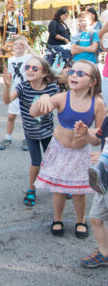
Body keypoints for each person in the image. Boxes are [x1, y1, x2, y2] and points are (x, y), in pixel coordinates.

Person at [31, 60, 105, 237]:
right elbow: (34, 112)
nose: (74, 76)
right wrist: (42, 98)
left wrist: (86, 134)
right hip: (59, 151)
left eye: (80, 74)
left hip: (80, 153)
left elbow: (98, 138)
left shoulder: (98, 103)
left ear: (93, 81)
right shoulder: (62, 97)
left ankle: (81, 220)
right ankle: (58, 218)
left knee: (79, 193)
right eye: (72, 72)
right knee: (59, 189)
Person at [3, 56, 58, 207]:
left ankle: (59, 185)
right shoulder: (22, 87)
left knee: (52, 161)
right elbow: (7, 101)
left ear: (45, 73)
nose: (29, 70)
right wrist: (7, 86)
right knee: (36, 162)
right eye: (27, 67)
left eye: (35, 68)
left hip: (47, 133)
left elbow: (61, 105)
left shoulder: (52, 88)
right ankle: (31, 189)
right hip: (31, 134)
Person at [78, 114, 108, 269]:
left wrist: (103, 157)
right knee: (96, 218)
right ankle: (104, 254)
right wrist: (85, 134)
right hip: (104, 181)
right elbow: (97, 140)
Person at [0, 36, 36, 151]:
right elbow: (10, 75)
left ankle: (27, 138)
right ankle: (8, 138)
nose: (18, 46)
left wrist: (28, 45)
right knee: (11, 116)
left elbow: (38, 57)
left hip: (26, 90)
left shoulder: (28, 57)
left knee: (26, 117)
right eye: (16, 44)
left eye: (21, 44)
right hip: (15, 90)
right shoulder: (11, 60)